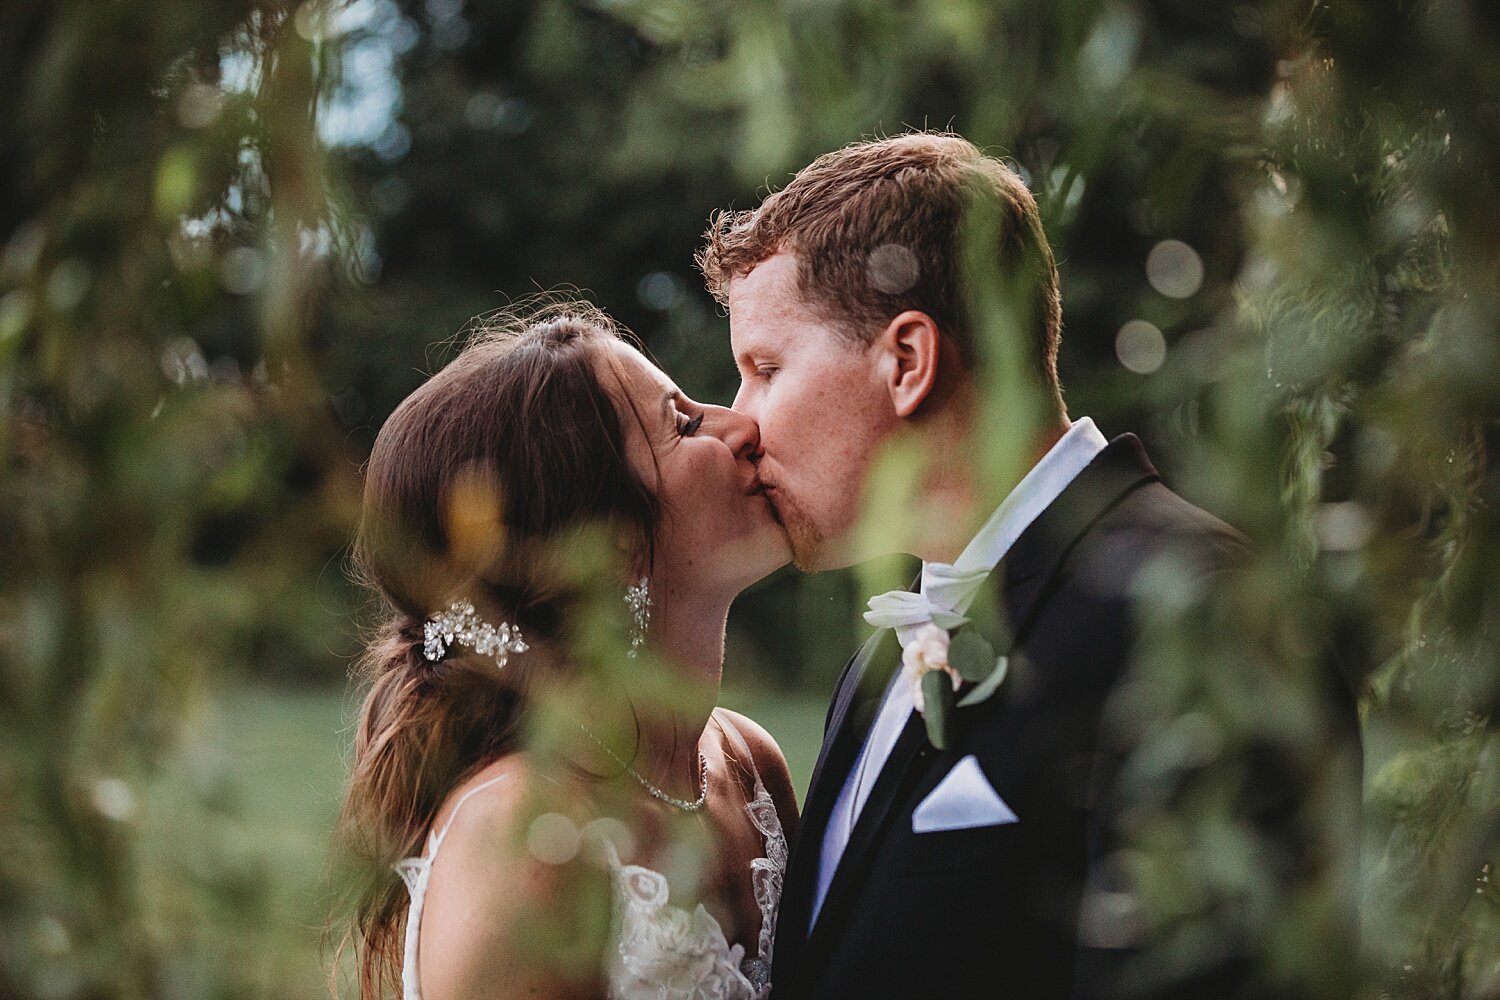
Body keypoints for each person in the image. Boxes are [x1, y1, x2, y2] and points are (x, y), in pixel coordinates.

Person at [698, 132, 1361, 999]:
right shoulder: (875, 668)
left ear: (906, 361)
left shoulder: (1196, 613)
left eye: (765, 368)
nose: (741, 423)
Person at [336, 304, 798, 1000]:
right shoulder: (526, 842)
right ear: (607, 548)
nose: (741, 427)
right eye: (684, 424)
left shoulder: (750, 766)